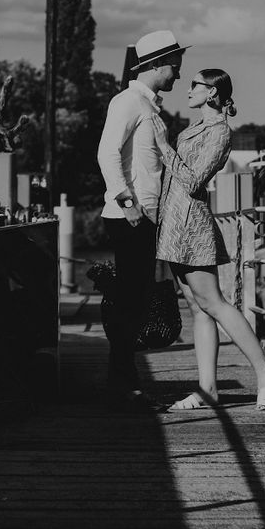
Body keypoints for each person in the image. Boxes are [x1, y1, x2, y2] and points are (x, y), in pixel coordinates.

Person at [155, 68, 265, 411]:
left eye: (195, 85)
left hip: (191, 228)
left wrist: (162, 146)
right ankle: (208, 389)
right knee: (198, 308)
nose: (188, 90)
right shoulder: (194, 128)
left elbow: (192, 181)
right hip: (172, 225)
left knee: (214, 302)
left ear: (212, 93)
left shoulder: (219, 133)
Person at [96, 28, 187, 402]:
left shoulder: (147, 104)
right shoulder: (128, 101)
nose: (179, 74)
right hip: (131, 216)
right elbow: (107, 153)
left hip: (144, 215)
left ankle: (124, 380)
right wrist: (128, 203)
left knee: (134, 299)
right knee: (132, 301)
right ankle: (123, 383)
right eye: (176, 66)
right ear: (158, 64)